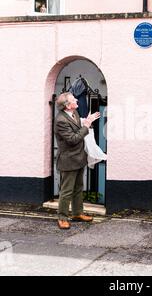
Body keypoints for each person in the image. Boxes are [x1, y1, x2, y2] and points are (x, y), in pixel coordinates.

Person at [54, 92, 100, 229]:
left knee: (78, 188)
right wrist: (86, 125)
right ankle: (62, 217)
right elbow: (73, 139)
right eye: (73, 99)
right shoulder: (61, 120)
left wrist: (86, 122)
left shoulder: (74, 113)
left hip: (79, 158)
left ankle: (77, 213)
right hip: (68, 160)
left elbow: (78, 130)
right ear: (67, 105)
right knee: (66, 191)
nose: (76, 100)